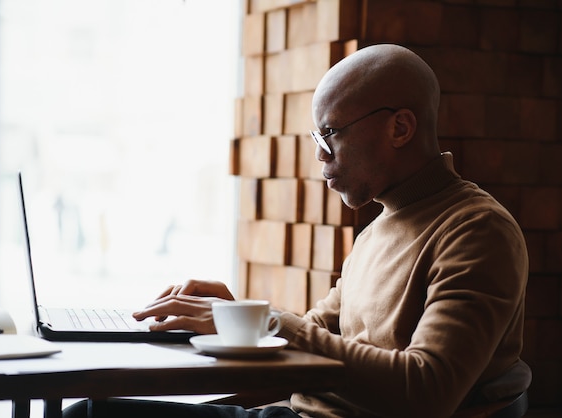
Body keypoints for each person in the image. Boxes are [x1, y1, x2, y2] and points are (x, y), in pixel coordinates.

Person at [63, 43, 531, 418]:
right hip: (291, 410)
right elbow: (311, 335)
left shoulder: (477, 231)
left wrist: (266, 323)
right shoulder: (377, 230)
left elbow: (426, 391)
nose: (320, 157)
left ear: (401, 127)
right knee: (90, 411)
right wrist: (236, 317)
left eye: (330, 135)